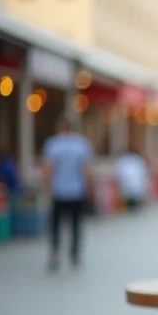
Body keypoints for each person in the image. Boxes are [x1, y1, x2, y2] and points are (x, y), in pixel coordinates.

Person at [42, 116, 94, 270]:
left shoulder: (53, 144)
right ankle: (74, 253)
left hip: (58, 191)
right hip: (76, 191)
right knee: (76, 224)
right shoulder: (81, 144)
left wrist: (47, 189)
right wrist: (90, 188)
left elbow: (48, 169)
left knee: (55, 225)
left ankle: (55, 252)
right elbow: (86, 170)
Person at [114, 145, 150, 211]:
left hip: (131, 190)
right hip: (134, 190)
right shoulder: (138, 160)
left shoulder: (124, 161)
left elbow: (118, 175)